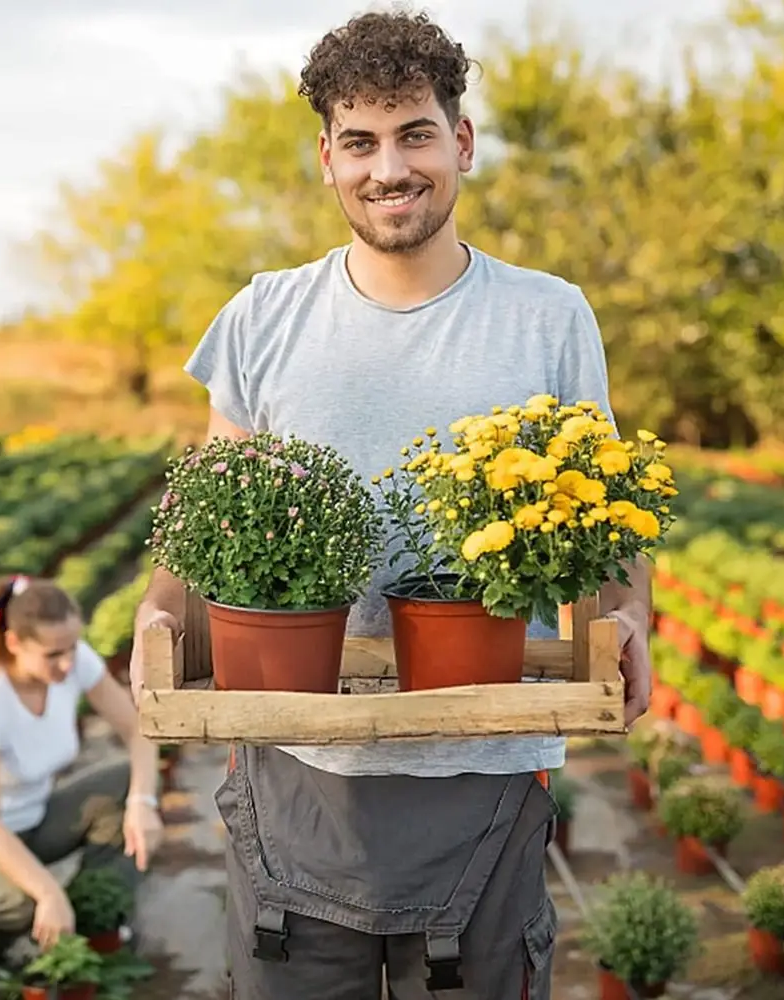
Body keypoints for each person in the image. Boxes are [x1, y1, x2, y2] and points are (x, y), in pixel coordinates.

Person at [129, 9, 652, 999]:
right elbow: (211, 507)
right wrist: (160, 613)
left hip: (484, 765)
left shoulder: (546, 316)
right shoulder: (262, 316)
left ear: (459, 141)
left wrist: (628, 616)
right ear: (325, 156)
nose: (388, 168)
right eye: (359, 142)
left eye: (413, 133)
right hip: (295, 766)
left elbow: (609, 510)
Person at [0, 575, 163, 956]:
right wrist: (48, 890)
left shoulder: (72, 659)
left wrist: (142, 804)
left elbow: (138, 729)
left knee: (124, 783)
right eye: (53, 655)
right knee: (27, 903)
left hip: (33, 820)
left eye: (71, 647)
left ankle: (94, 917)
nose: (67, 663)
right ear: (14, 643)